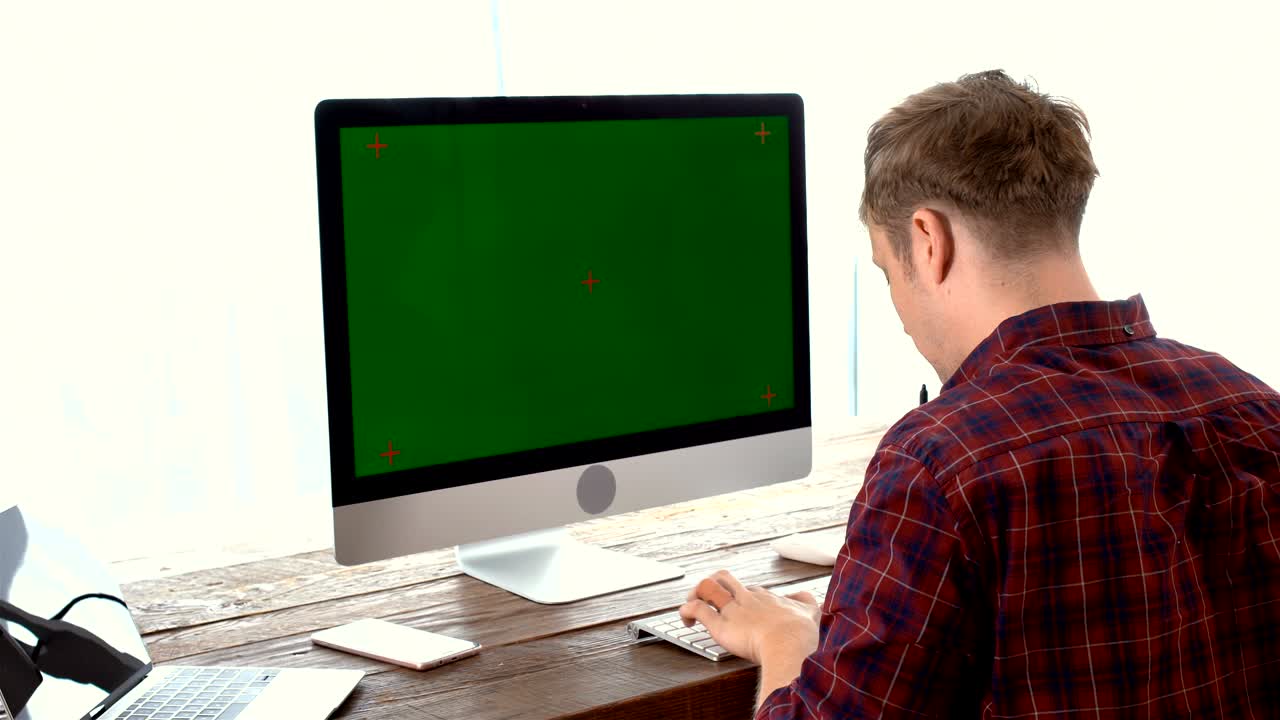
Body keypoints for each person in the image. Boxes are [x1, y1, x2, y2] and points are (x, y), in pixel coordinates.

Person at [680, 70, 1280, 718]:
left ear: (928, 241)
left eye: (887, 272)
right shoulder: (1253, 408)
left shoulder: (938, 465)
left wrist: (784, 640)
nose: (900, 314)